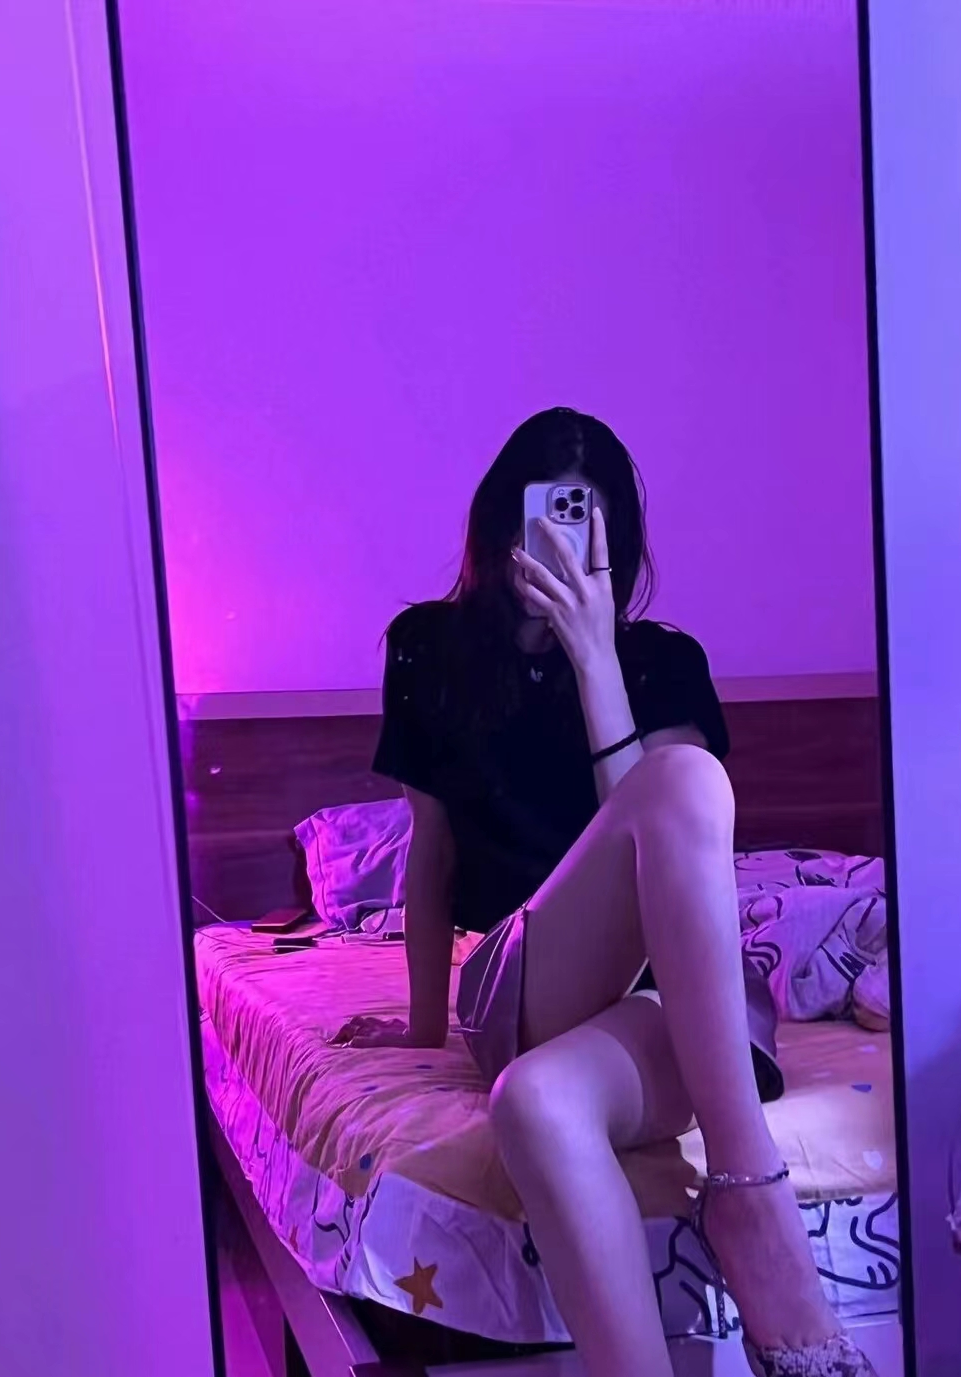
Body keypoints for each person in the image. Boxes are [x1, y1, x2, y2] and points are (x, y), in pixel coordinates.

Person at [334, 409, 877, 1377]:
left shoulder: (662, 661)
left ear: (614, 538)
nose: (554, 540)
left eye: (583, 519)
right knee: (681, 782)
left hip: (677, 1001)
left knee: (537, 1105)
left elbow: (657, 854)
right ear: (500, 524)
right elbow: (432, 856)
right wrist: (420, 1026)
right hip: (526, 977)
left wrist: (594, 658)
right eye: (540, 513)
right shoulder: (427, 650)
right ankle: (752, 1197)